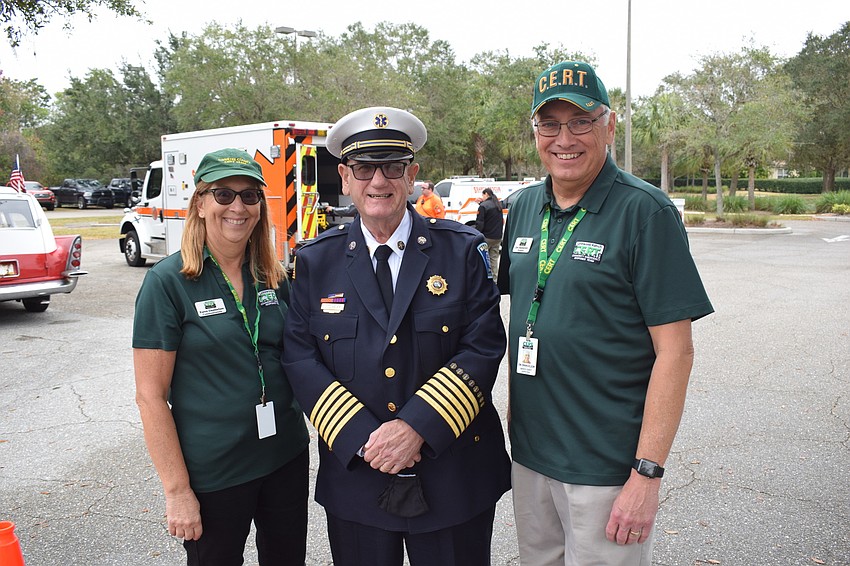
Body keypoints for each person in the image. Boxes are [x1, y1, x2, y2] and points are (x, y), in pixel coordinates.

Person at [498, 61, 714, 565]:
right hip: (530, 456)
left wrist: (647, 474)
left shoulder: (646, 212)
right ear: (535, 131)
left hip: (605, 468)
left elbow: (676, 353)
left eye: (581, 121)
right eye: (549, 124)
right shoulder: (523, 207)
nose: (564, 138)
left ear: (609, 126)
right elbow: (526, 319)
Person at [282, 106, 511, 566]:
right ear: (345, 177)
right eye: (364, 168)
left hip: (453, 474)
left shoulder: (461, 251)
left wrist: (415, 428)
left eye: (392, 167)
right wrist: (367, 439)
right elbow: (300, 358)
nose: (378, 181)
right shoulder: (315, 260)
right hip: (358, 473)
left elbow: (483, 345)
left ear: (412, 175)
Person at [133, 148, 310, 565]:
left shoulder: (272, 275)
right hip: (216, 470)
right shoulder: (168, 283)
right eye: (223, 194)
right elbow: (150, 396)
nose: (238, 207)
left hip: (284, 455)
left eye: (250, 196)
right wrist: (177, 490)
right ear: (200, 203)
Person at [474, 187, 503, 280]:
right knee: (494, 259)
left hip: (487, 237)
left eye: (482, 195)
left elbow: (480, 223)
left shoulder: (483, 206)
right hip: (497, 237)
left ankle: (483, 280)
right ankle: (494, 280)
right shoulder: (497, 204)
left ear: (486, 194)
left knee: (482, 259)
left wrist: (476, 234)